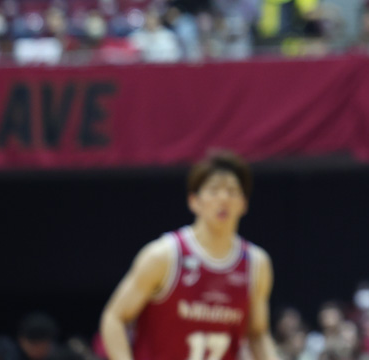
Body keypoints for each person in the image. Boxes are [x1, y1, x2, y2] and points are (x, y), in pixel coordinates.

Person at [99, 151, 277, 360]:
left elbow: (257, 334)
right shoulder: (163, 255)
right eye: (213, 190)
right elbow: (114, 317)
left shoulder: (256, 263)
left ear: (244, 204)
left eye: (232, 191)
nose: (223, 198)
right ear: (194, 201)